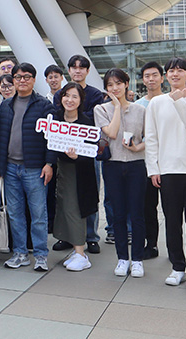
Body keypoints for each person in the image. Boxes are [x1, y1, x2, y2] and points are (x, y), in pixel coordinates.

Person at [144, 57, 186, 290]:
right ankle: (177, 267)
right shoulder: (156, 103)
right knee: (172, 222)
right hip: (168, 170)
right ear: (166, 75)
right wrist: (153, 168)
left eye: (180, 71)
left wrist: (179, 101)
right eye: (171, 71)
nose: (175, 74)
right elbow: (151, 138)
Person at [0, 62, 54, 271]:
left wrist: (49, 163)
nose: (22, 81)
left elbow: (51, 138)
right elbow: (0, 138)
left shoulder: (44, 105)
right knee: (15, 213)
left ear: (34, 80)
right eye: (18, 77)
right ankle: (20, 253)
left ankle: (40, 255)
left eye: (26, 77)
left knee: (38, 214)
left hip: (35, 168)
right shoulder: (6, 105)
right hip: (10, 168)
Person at [95, 69, 147, 278]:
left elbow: (150, 138)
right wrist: (117, 107)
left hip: (136, 165)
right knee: (117, 213)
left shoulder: (140, 110)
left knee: (137, 213)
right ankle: (122, 258)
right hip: (112, 165)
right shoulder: (101, 109)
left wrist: (138, 148)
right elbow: (112, 133)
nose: (114, 88)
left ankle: (138, 260)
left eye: (118, 83)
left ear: (126, 84)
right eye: (110, 85)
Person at [52, 83, 98, 272]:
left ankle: (81, 254)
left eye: (74, 97)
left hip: (78, 172)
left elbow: (91, 151)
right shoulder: (55, 119)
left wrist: (77, 156)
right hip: (59, 170)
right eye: (66, 95)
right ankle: (75, 249)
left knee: (74, 209)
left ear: (81, 101)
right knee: (62, 208)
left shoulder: (86, 122)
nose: (69, 100)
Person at [66, 54, 105, 254]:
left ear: (88, 71)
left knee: (89, 194)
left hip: (88, 152)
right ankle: (68, 236)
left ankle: (91, 236)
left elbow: (93, 121)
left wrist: (75, 118)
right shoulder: (62, 94)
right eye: (74, 67)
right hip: (64, 152)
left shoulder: (96, 94)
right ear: (69, 70)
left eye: (82, 67)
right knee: (65, 196)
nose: (78, 70)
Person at [135, 62, 164, 259]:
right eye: (147, 76)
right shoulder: (138, 106)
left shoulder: (171, 101)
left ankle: (176, 247)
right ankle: (151, 244)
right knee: (148, 207)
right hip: (146, 164)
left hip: (170, 164)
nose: (151, 79)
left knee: (173, 210)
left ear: (162, 78)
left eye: (155, 75)